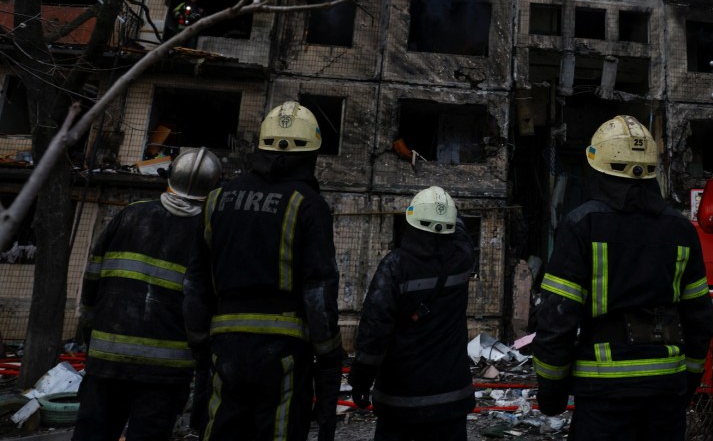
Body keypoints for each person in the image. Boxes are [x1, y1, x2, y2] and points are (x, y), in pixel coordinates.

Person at [531, 115, 713, 441]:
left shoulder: (581, 226)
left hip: (604, 398)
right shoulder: (681, 230)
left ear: (597, 167)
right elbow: (700, 320)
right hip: (666, 395)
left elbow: (556, 320)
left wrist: (551, 394)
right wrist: (686, 384)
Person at [183, 101, 344, 441]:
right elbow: (318, 290)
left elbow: (195, 281)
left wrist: (199, 342)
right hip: (283, 354)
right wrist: (328, 353)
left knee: (220, 429)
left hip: (223, 348)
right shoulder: (309, 206)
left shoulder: (216, 199)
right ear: (310, 155)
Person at [75, 147, 223, 441]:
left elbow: (92, 279)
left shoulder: (129, 215)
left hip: (107, 359)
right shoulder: (209, 234)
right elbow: (204, 303)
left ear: (169, 178)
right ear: (213, 190)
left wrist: (89, 334)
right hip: (164, 372)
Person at [348, 186, 476, 441]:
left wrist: (360, 381)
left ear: (411, 221)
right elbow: (461, 233)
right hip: (451, 397)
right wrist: (449, 211)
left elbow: (374, 330)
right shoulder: (462, 258)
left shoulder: (395, 266)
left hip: (401, 401)